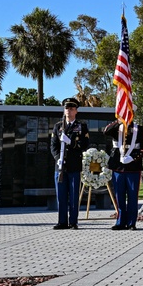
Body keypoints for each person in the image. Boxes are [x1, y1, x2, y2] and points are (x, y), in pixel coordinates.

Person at [50, 98, 90, 230]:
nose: (69, 111)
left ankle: (73, 221)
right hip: (61, 167)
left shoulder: (81, 126)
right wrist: (57, 158)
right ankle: (62, 221)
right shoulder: (58, 126)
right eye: (67, 108)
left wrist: (71, 143)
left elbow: (84, 145)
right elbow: (53, 145)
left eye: (72, 109)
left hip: (74, 166)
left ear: (76, 111)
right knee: (61, 195)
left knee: (73, 195)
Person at [105, 118, 143, 230]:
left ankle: (131, 222)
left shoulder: (139, 129)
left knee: (132, 196)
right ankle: (120, 222)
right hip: (118, 167)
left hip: (133, 168)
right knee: (119, 196)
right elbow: (106, 131)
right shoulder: (116, 128)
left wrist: (132, 157)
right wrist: (118, 122)